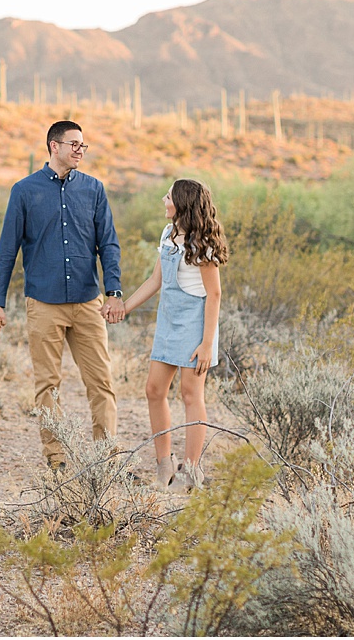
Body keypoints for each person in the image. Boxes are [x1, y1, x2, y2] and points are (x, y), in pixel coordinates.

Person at [0, 120, 122, 469]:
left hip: (87, 302)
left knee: (101, 382)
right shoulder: (24, 191)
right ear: (54, 146)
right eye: (74, 144)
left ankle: (105, 461)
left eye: (83, 145)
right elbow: (7, 250)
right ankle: (57, 461)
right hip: (43, 304)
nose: (80, 150)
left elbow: (108, 244)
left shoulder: (94, 189)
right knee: (48, 385)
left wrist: (115, 291)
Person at [106, 178, 229, 491]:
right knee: (153, 389)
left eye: (168, 196)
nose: (163, 200)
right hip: (169, 321)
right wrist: (125, 307)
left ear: (182, 204)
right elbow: (155, 280)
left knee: (190, 394)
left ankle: (190, 472)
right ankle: (165, 466)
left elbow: (214, 295)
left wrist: (206, 344)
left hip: (196, 325)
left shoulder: (202, 243)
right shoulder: (168, 235)